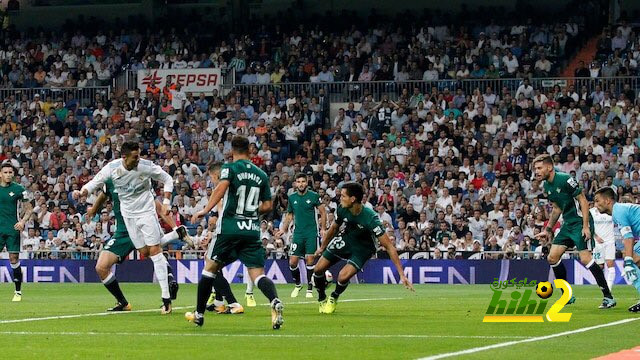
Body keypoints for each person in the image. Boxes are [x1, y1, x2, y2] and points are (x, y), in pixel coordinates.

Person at [186, 136, 283, 329]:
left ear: (232, 150)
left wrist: (205, 210)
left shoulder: (229, 169)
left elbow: (221, 189)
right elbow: (268, 205)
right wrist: (251, 212)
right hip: (251, 230)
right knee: (257, 274)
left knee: (209, 268)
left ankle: (198, 314)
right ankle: (274, 301)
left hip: (230, 228)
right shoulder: (262, 175)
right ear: (249, 150)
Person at [74, 141, 176, 314]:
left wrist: (167, 203)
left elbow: (166, 180)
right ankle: (123, 302)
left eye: (139, 155)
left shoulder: (145, 168)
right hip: (125, 225)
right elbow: (96, 185)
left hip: (145, 214)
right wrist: (83, 193)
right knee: (104, 266)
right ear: (124, 157)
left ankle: (166, 298)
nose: (139, 159)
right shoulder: (111, 171)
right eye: (135, 157)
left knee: (154, 250)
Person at [86, 178, 192, 311]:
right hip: (122, 233)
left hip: (140, 228)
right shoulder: (111, 179)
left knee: (152, 252)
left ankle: (169, 283)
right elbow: (104, 194)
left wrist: (174, 225)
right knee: (101, 267)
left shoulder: (139, 179)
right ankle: (123, 303)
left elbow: (159, 208)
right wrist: (94, 209)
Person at [312, 182, 414, 314]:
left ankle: (334, 297)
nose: (340, 198)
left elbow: (389, 246)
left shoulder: (370, 218)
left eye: (343, 196)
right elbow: (333, 228)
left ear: (353, 199)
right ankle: (321, 298)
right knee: (318, 269)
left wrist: (402, 274)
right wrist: (322, 247)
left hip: (363, 248)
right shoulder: (342, 208)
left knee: (343, 276)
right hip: (346, 239)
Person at [532, 154, 615, 309]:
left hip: (580, 222)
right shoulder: (547, 187)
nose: (536, 171)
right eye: (535, 168)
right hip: (568, 223)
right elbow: (557, 208)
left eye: (539, 168)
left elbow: (583, 200)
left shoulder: (565, 179)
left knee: (585, 258)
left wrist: (585, 226)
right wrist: (548, 229)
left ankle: (608, 297)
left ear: (549, 167)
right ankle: (567, 295)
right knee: (552, 257)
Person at [200, 162, 246, 314]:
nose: (212, 181)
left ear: (215, 175)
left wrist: (213, 233)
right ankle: (219, 302)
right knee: (215, 266)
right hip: (242, 232)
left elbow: (224, 216)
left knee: (210, 263)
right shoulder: (235, 188)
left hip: (229, 233)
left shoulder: (222, 190)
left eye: (212, 178)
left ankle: (233, 303)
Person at [277, 173, 326, 298]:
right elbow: (289, 215)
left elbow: (323, 212)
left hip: (311, 233)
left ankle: (309, 288)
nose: (301, 184)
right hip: (298, 233)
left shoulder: (314, 196)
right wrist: (284, 228)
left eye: (303, 181)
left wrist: (323, 228)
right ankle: (298, 285)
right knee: (293, 262)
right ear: (295, 184)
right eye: (298, 182)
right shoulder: (292, 197)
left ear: (307, 183)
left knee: (310, 260)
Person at [593, 186, 640, 312]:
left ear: (608, 200)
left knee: (632, 259)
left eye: (597, 201)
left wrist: (629, 261)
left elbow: (628, 237)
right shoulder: (618, 211)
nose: (595, 204)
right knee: (633, 257)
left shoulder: (618, 211)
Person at [0, 163, 32, 302]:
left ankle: (18, 292)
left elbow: (29, 208)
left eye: (10, 172)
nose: (8, 174)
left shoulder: (19, 189)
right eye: (5, 172)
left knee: (13, 258)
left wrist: (23, 221)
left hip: (12, 228)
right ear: (0, 174)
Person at [589, 205, 616, 292]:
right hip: (597, 243)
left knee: (610, 266)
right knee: (600, 266)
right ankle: (603, 286)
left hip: (609, 241)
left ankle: (608, 289)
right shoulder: (592, 212)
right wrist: (596, 236)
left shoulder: (611, 211)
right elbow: (588, 226)